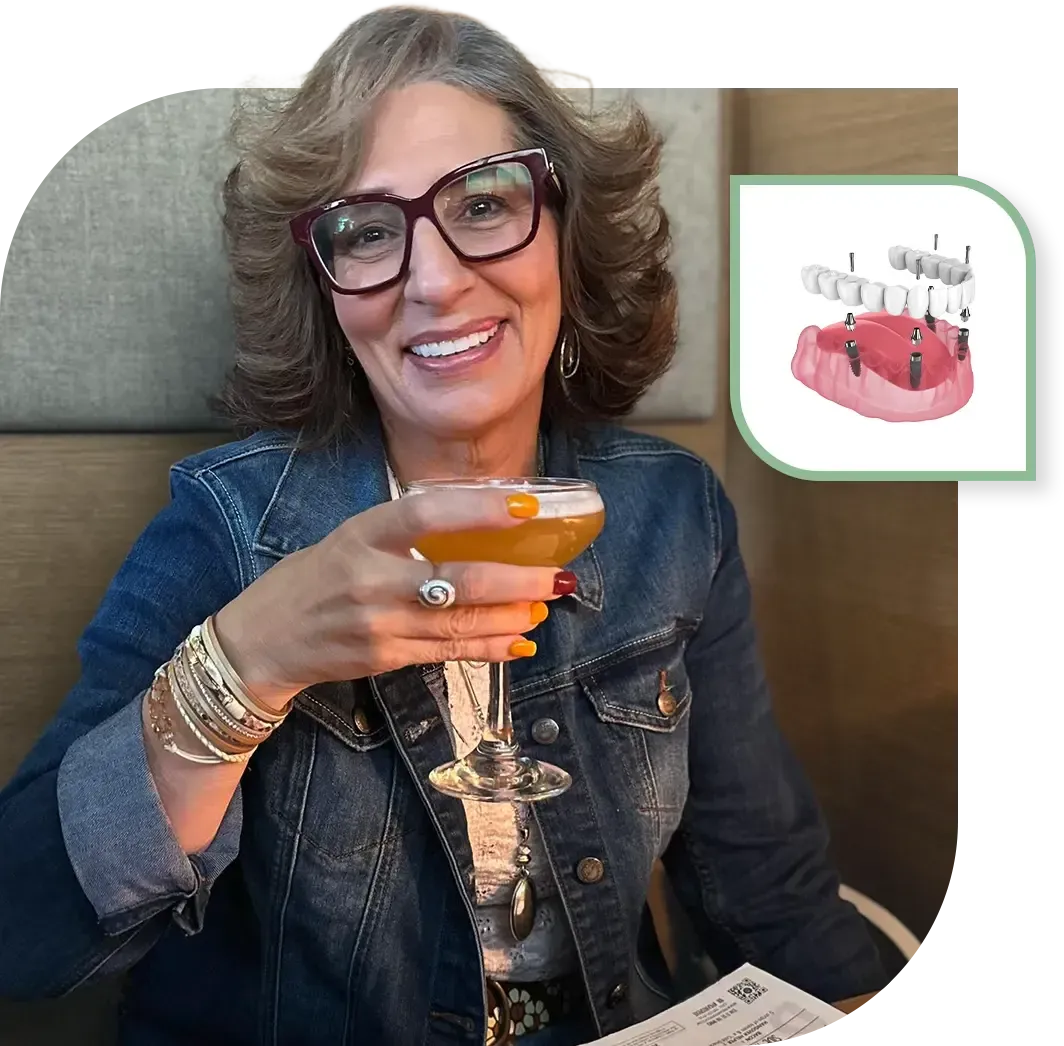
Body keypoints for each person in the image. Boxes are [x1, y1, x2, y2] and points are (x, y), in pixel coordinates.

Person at [0, 5, 888, 1044]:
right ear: (325, 287)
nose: (432, 278)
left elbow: (772, 898)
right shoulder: (231, 526)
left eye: (483, 203)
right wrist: (246, 663)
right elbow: (25, 931)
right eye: (368, 231)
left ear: (565, 229)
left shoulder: (672, 515)